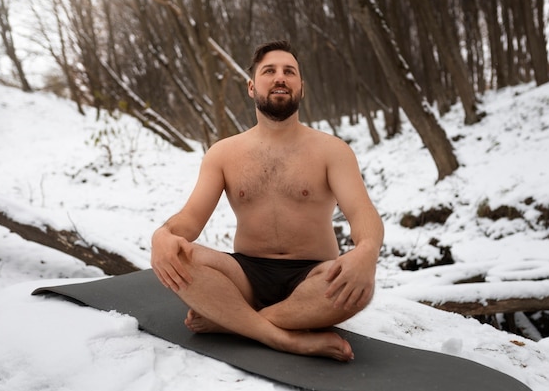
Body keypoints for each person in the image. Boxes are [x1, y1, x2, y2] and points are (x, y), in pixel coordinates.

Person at [151, 40, 384, 361]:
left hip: (314, 275)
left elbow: (362, 213)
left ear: (301, 87)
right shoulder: (223, 153)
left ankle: (234, 323)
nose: (280, 77)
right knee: (181, 257)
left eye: (289, 71)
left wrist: (367, 253)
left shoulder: (332, 150)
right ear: (251, 86)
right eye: (269, 71)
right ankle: (284, 337)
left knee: (359, 289)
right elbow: (190, 219)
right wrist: (162, 235)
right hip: (244, 275)